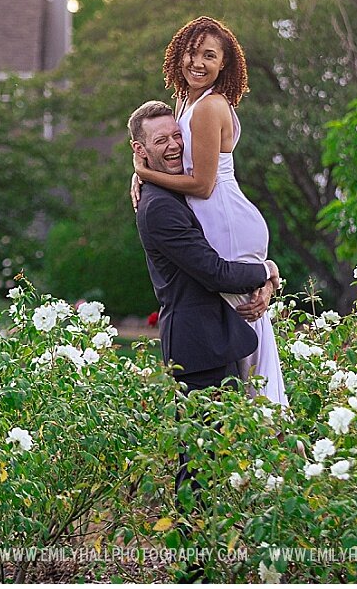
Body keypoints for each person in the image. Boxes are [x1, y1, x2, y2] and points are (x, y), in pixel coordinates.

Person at [131, 16, 290, 407]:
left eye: (209, 56)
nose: (197, 62)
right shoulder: (184, 101)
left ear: (224, 65)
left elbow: (202, 184)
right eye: (192, 52)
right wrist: (140, 173)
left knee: (252, 334)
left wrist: (143, 172)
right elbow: (165, 151)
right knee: (250, 329)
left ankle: (274, 429)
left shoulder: (208, 106)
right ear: (178, 54)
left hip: (223, 215)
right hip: (214, 213)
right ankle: (268, 433)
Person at [127, 99, 281, 498]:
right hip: (196, 348)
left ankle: (210, 552)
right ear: (140, 150)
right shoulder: (160, 207)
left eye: (178, 135)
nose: (175, 145)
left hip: (217, 338)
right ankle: (195, 559)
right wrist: (266, 270)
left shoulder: (177, 192)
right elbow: (212, 271)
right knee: (198, 465)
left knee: (217, 459)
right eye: (161, 140)